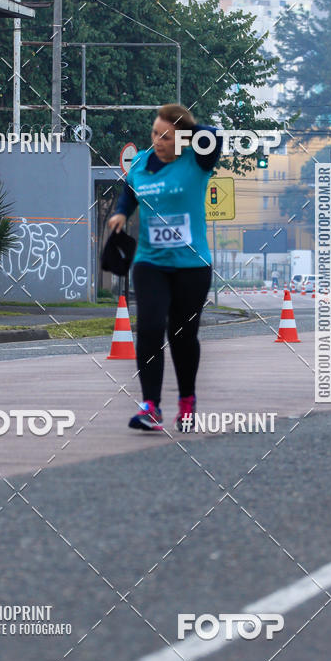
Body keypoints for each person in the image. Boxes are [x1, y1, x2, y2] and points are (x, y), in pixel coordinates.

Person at [107, 104, 223, 432]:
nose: (157, 141)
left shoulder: (198, 159)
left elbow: (215, 136)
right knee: (150, 328)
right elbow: (130, 191)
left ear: (183, 138)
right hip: (150, 262)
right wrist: (121, 212)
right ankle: (151, 406)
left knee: (182, 335)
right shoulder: (142, 162)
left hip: (192, 265)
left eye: (166, 136)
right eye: (154, 133)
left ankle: (187, 401)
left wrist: (187, 127)